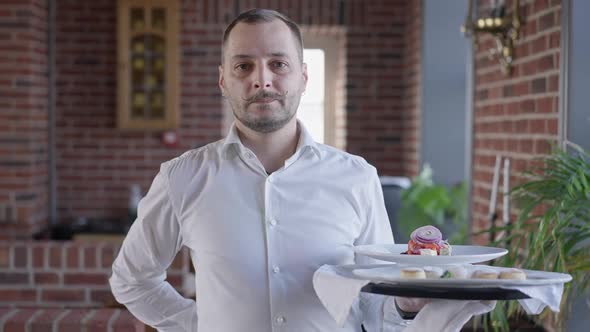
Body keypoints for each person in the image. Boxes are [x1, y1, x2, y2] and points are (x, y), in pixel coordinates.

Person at [110, 8, 425, 331]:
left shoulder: (357, 177)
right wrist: (198, 324)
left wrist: (405, 306)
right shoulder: (183, 178)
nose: (261, 79)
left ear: (303, 77)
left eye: (278, 64)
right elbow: (131, 281)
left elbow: (377, 307)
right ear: (223, 80)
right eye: (243, 66)